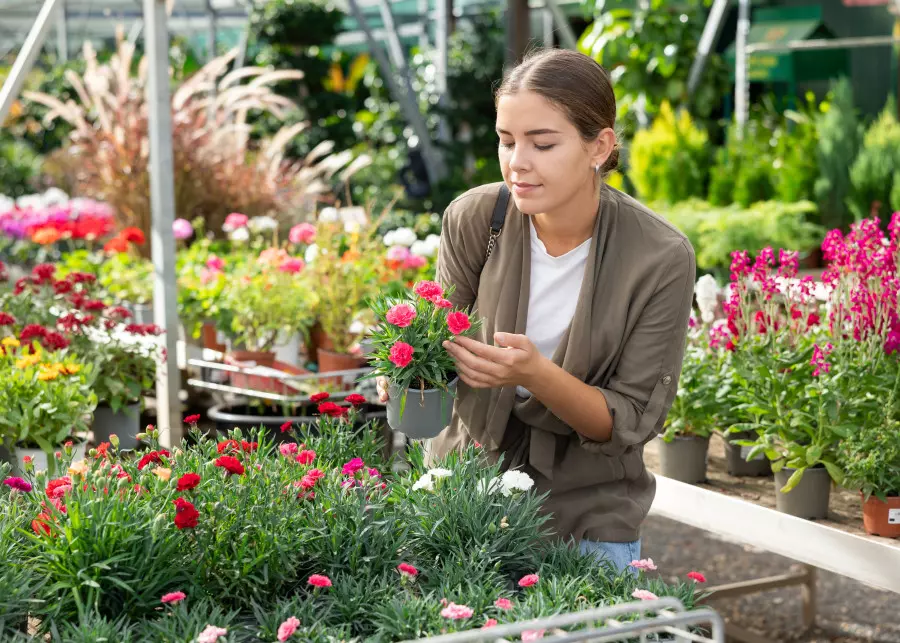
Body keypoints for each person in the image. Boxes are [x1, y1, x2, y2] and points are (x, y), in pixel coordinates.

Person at [376, 48, 695, 574]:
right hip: (462, 496)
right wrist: (408, 371)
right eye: (506, 140)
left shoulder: (658, 257)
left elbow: (628, 421)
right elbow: (435, 339)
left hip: (586, 515)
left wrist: (535, 374)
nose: (517, 162)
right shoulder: (478, 218)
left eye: (542, 143)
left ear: (600, 146)